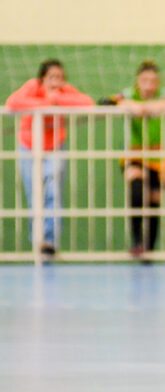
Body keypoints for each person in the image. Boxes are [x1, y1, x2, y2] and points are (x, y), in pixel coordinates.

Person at [99, 60, 165, 260]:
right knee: (136, 190)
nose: (149, 86)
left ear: (158, 83)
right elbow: (105, 101)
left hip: (158, 156)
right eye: (144, 81)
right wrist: (131, 106)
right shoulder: (127, 94)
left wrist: (158, 106)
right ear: (137, 81)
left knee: (153, 200)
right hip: (134, 153)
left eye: (153, 81)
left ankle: (149, 248)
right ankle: (137, 242)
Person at [5, 59, 94, 258]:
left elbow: (87, 103)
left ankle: (49, 242)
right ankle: (37, 241)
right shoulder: (32, 86)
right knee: (35, 195)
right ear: (42, 78)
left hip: (54, 147)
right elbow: (13, 103)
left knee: (53, 193)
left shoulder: (64, 91)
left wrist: (57, 99)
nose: (56, 81)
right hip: (29, 147)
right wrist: (46, 103)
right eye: (52, 77)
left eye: (60, 77)